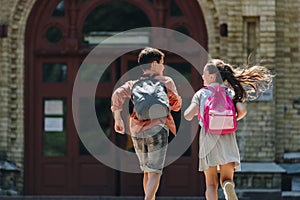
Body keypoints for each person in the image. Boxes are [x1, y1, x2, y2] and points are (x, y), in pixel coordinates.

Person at [184, 59, 273, 200]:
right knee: (226, 178)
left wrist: (197, 113)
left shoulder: (201, 94)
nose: (202, 76)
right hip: (228, 138)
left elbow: (188, 115)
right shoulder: (230, 92)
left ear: (212, 77)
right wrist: (230, 120)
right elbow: (242, 110)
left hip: (208, 139)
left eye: (204, 73)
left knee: (211, 184)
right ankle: (228, 186)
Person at [111, 47, 182, 200]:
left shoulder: (133, 84)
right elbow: (177, 105)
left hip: (137, 130)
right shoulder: (166, 81)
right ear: (155, 64)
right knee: (155, 171)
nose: (163, 67)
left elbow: (117, 94)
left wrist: (118, 118)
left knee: (147, 171)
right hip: (158, 129)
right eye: (162, 63)